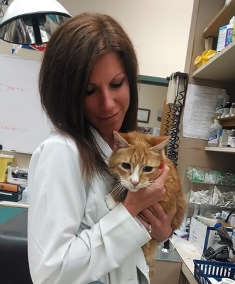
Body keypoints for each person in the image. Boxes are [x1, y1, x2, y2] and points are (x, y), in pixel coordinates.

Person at [27, 13, 176, 284]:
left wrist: (160, 231)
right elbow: (50, 273)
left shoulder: (117, 148)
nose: (107, 104)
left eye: (117, 84)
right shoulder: (62, 152)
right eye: (89, 91)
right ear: (66, 93)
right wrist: (129, 211)